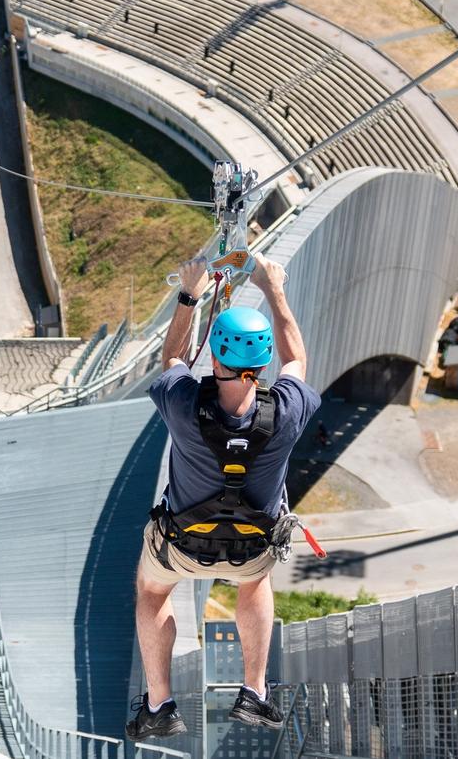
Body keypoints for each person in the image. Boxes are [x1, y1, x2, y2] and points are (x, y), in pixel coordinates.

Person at [127, 252, 321, 741]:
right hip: (250, 550)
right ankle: (254, 691)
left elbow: (171, 357)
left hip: (182, 546)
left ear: (216, 357)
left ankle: (159, 704)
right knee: (255, 585)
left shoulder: (183, 405)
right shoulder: (289, 411)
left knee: (151, 591)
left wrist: (191, 294)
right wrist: (274, 289)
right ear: (263, 363)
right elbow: (297, 358)